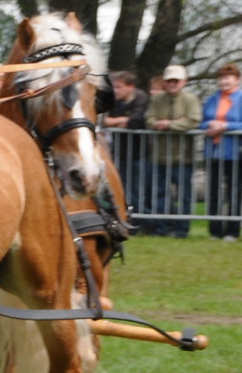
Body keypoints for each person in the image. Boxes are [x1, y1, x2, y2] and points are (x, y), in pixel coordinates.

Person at [145, 64, 201, 237]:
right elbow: (149, 119)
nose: (172, 84)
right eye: (169, 81)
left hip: (183, 158)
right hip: (159, 157)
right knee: (159, 194)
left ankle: (181, 230)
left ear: (184, 82)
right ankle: (161, 228)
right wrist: (161, 123)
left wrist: (168, 124)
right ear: (165, 82)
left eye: (176, 81)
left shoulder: (190, 99)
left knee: (184, 196)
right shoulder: (156, 99)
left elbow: (193, 120)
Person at [201, 63, 242, 240]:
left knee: (234, 192)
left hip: (235, 153)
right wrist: (209, 125)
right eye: (221, 78)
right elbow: (201, 121)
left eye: (228, 77)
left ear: (237, 80)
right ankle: (215, 231)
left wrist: (226, 126)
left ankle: (232, 231)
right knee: (214, 192)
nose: (224, 81)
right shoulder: (212, 99)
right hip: (214, 152)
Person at [102, 70, 150, 211]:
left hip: (139, 151)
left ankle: (142, 218)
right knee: (121, 185)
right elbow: (103, 120)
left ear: (131, 86)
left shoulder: (141, 98)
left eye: (118, 87)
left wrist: (116, 121)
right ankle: (129, 215)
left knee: (137, 187)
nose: (115, 90)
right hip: (119, 150)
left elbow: (137, 121)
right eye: (113, 87)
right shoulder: (111, 100)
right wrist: (122, 120)